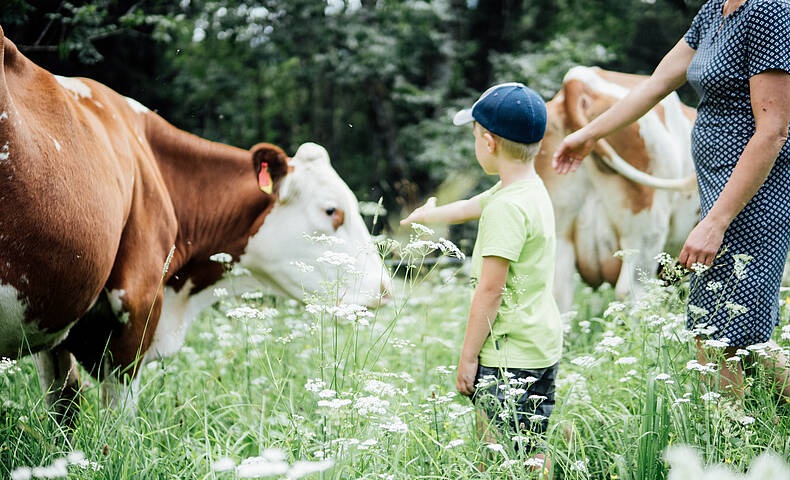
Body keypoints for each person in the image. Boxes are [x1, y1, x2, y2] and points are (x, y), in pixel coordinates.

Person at [553, 0, 790, 400]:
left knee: (723, 338)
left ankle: (727, 447)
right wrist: (589, 134)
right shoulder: (715, 12)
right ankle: (730, 442)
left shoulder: (770, 11)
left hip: (754, 198)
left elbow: (773, 131)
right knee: (724, 336)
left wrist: (714, 222)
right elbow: (655, 85)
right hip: (716, 190)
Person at [401, 83, 562, 475]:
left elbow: (490, 291)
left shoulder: (506, 210)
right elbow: (475, 204)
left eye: (474, 136)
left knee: (496, 448)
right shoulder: (528, 189)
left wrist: (468, 357)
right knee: (532, 444)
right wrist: (430, 215)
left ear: (488, 142)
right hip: (540, 345)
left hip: (507, 355)